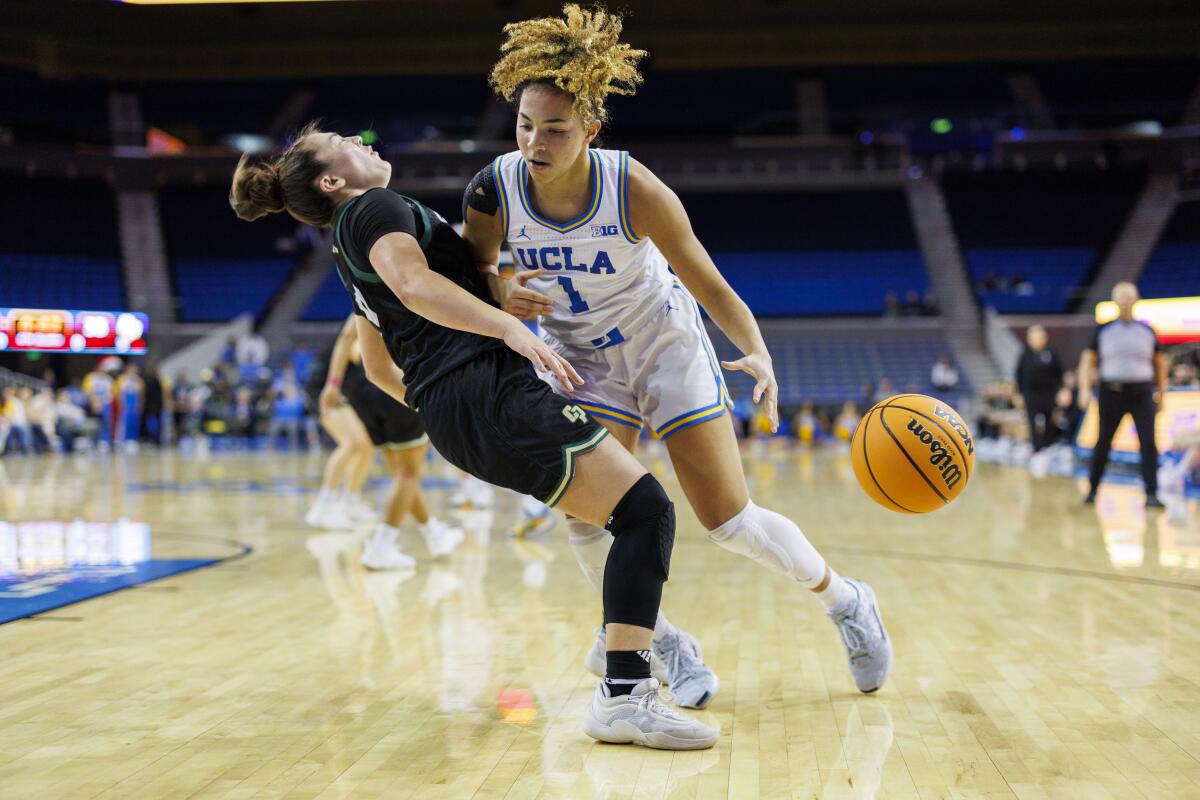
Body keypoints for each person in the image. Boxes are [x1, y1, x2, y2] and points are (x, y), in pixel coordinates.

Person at [229, 120, 716, 749]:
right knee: (645, 512)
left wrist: (445, 406)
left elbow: (379, 367)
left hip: (461, 408)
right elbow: (411, 283)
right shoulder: (373, 208)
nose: (365, 143)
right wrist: (505, 329)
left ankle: (634, 655)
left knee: (622, 517)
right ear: (333, 180)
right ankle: (623, 694)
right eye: (349, 144)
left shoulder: (345, 248)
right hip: (484, 392)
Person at [462, 3, 891, 708]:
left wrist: (757, 352)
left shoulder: (632, 188)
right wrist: (503, 289)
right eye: (525, 125)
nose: (535, 142)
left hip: (663, 343)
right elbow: (478, 272)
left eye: (556, 129)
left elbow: (711, 284)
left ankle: (845, 600)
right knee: (587, 519)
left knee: (727, 520)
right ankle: (663, 642)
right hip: (583, 358)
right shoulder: (495, 187)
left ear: (592, 130)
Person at [319, 313, 464, 567]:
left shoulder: (365, 285)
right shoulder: (410, 286)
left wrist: (333, 383)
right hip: (398, 384)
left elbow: (346, 338)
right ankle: (381, 546)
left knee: (401, 474)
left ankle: (434, 533)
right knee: (408, 474)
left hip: (365, 390)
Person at [1078, 282, 1169, 508]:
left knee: (1148, 443)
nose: (1125, 299)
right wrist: (1084, 389)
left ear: (1136, 298)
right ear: (1114, 299)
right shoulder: (1104, 330)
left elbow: (1159, 364)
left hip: (1142, 393)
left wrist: (1162, 394)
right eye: (1121, 295)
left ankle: (1151, 493)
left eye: (1129, 295)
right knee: (1104, 442)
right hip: (1112, 393)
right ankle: (1092, 489)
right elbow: (1087, 362)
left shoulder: (1147, 330)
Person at [1015, 325, 1063, 453]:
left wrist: (1061, 390)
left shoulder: (1051, 353)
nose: (1038, 339)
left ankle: (1048, 447)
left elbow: (1059, 373)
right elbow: (1019, 375)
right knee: (1033, 423)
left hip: (1049, 394)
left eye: (1040, 336)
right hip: (1031, 395)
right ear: (1029, 339)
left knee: (1049, 421)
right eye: (1034, 337)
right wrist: (1019, 394)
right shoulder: (1025, 354)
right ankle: (1036, 449)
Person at [117, 363, 144, 453]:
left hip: (134, 402)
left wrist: (139, 404)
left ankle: (132, 440)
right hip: (126, 402)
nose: (133, 372)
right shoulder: (122, 379)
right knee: (125, 422)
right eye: (131, 370)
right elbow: (119, 393)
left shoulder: (138, 380)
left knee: (134, 422)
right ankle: (123, 440)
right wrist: (121, 404)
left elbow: (140, 394)